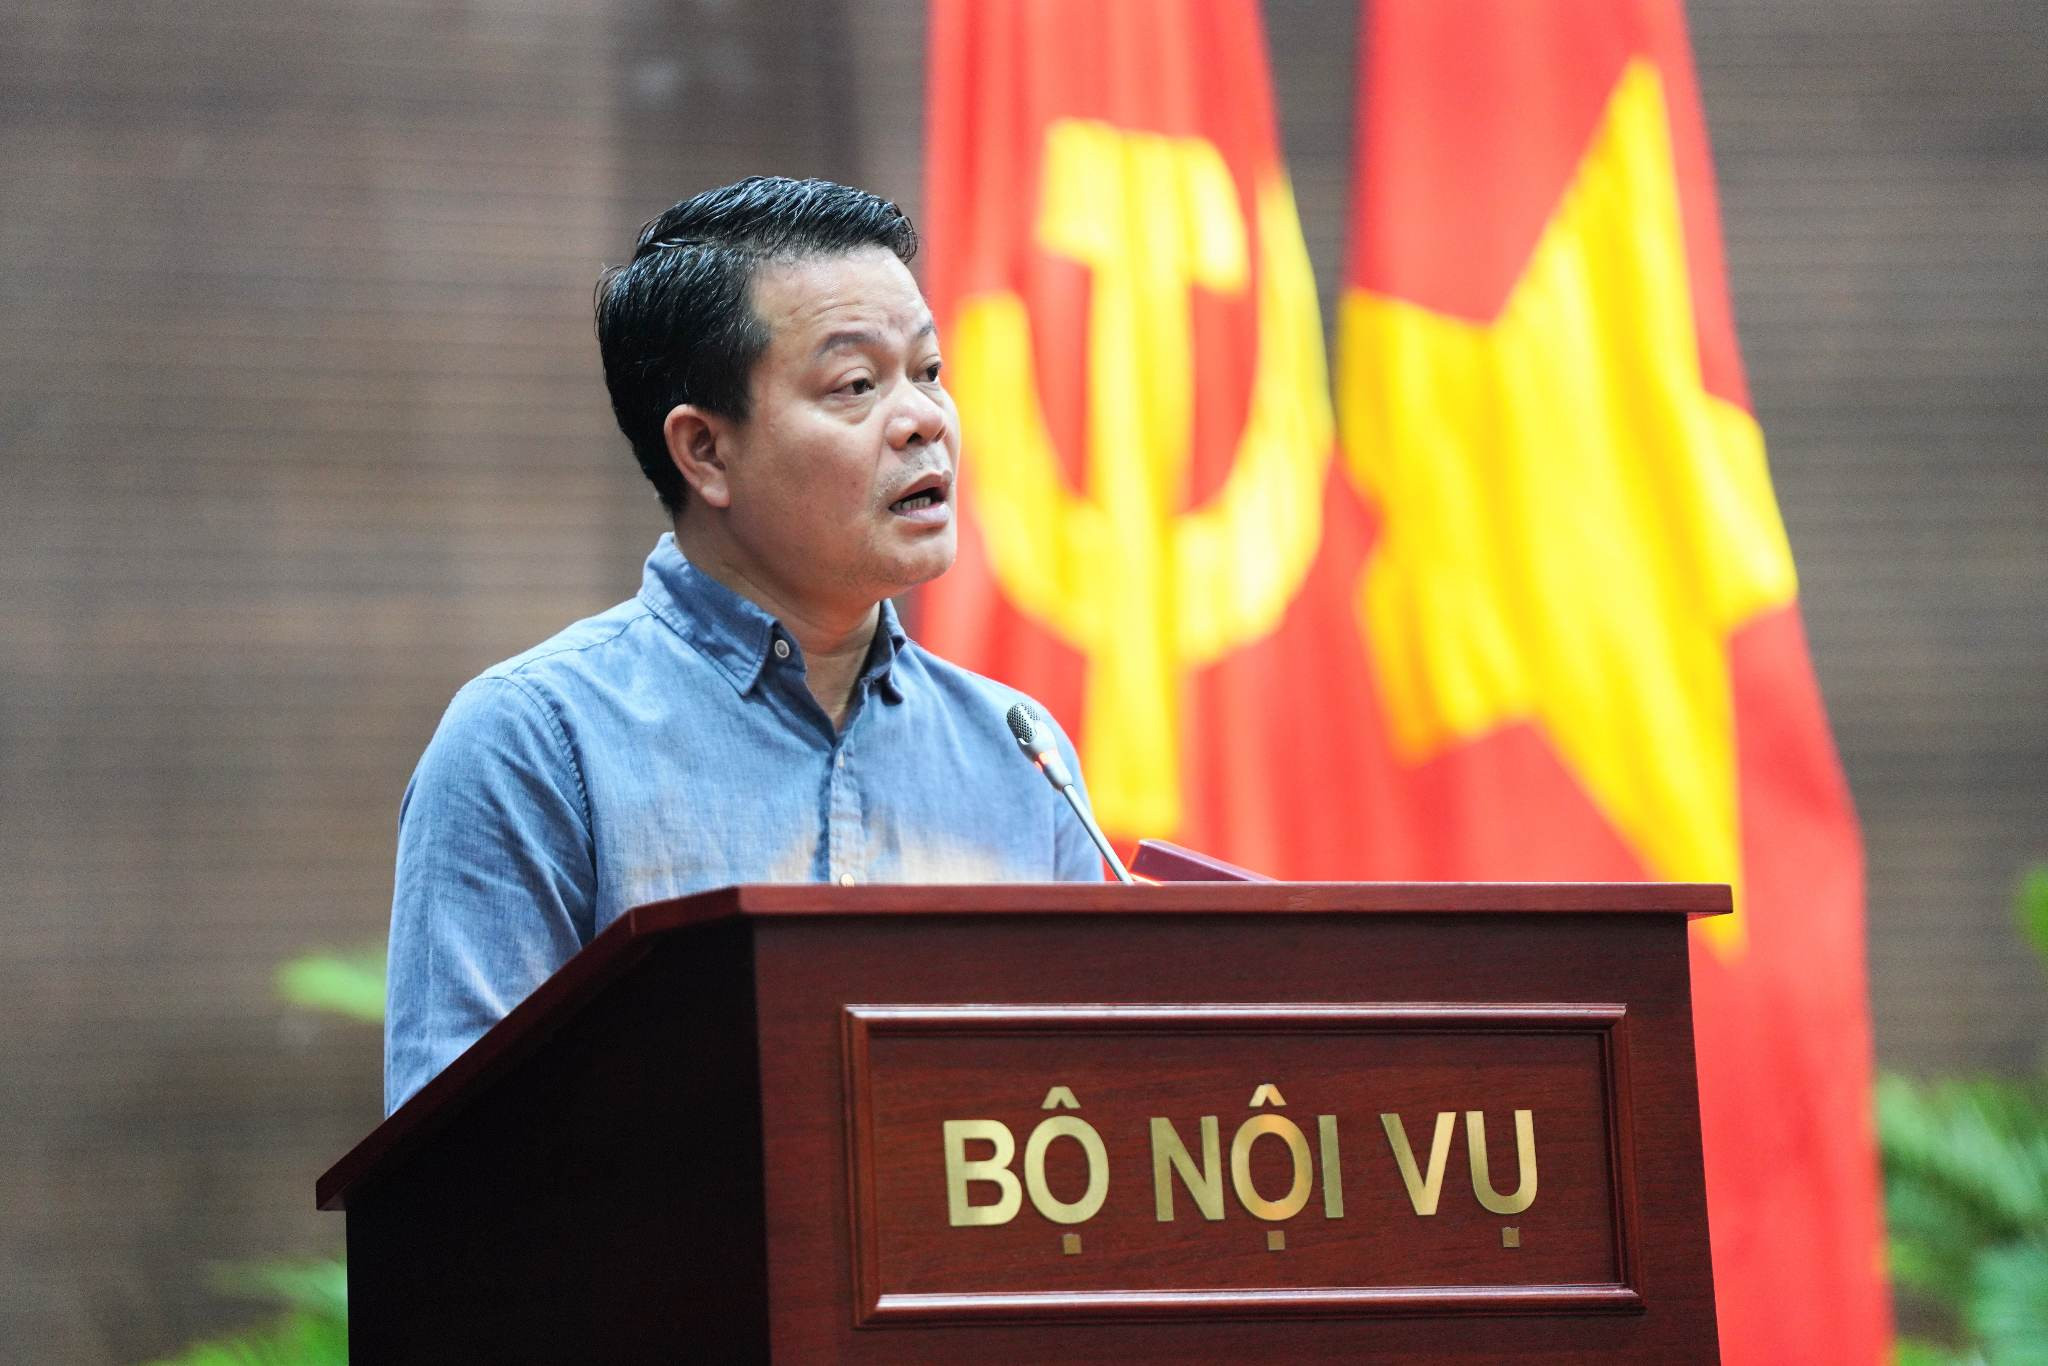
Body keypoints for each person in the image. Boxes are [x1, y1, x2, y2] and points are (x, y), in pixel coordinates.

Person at [383, 177, 1105, 1114]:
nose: (925, 419)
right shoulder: (535, 744)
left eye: (928, 371)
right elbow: (458, 1161)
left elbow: (1083, 1120)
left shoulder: (1019, 752)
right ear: (705, 452)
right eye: (857, 385)